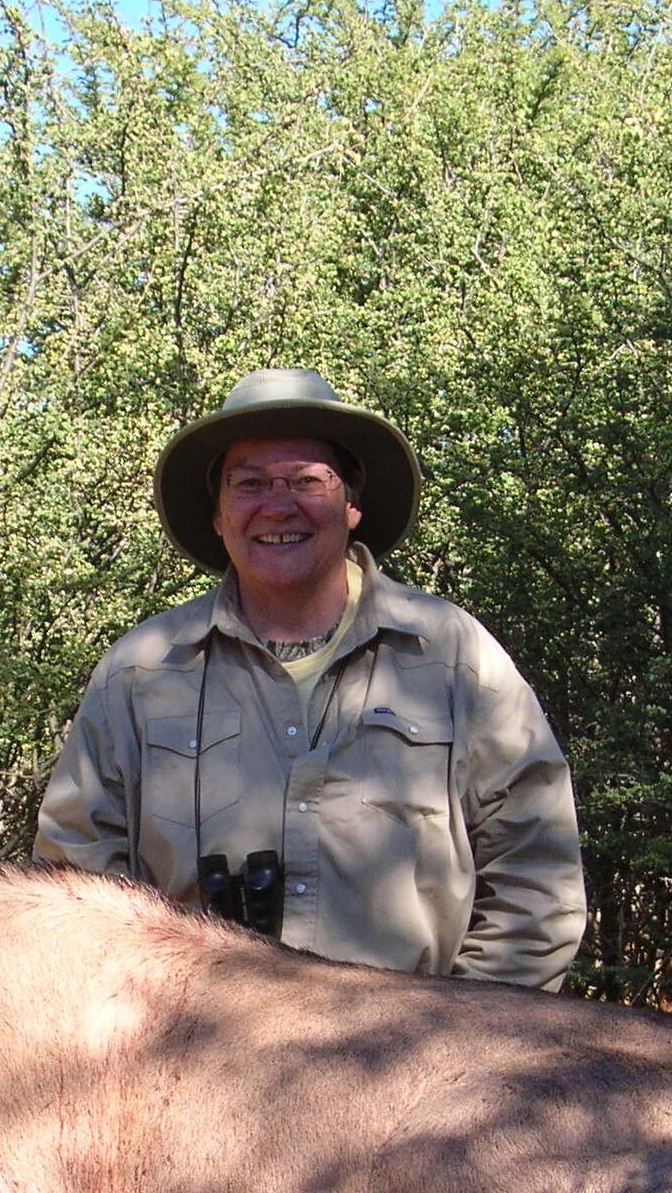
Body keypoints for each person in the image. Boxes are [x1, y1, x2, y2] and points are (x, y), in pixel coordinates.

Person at [33, 368, 585, 990]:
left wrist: (461, 1043)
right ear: (217, 514)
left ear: (352, 504)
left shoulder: (454, 655)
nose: (277, 504)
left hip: (416, 1063)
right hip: (194, 1061)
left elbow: (537, 877)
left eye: (306, 480)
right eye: (249, 484)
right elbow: (75, 891)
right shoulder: (141, 671)